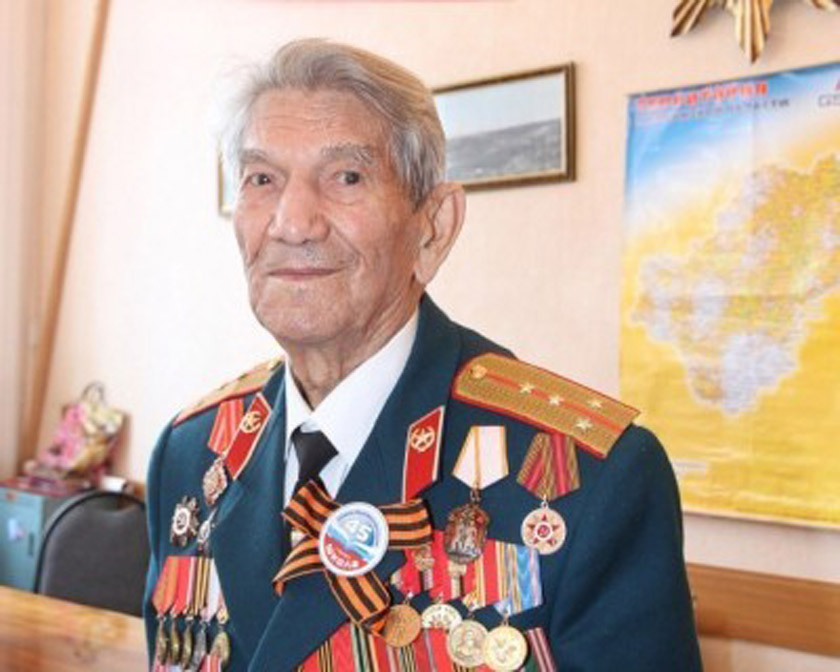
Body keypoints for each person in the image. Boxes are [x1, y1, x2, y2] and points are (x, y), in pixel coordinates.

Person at [144, 38, 702, 672]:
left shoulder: (597, 478)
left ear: (433, 228)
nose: (292, 223)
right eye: (262, 179)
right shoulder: (192, 452)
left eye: (347, 177)